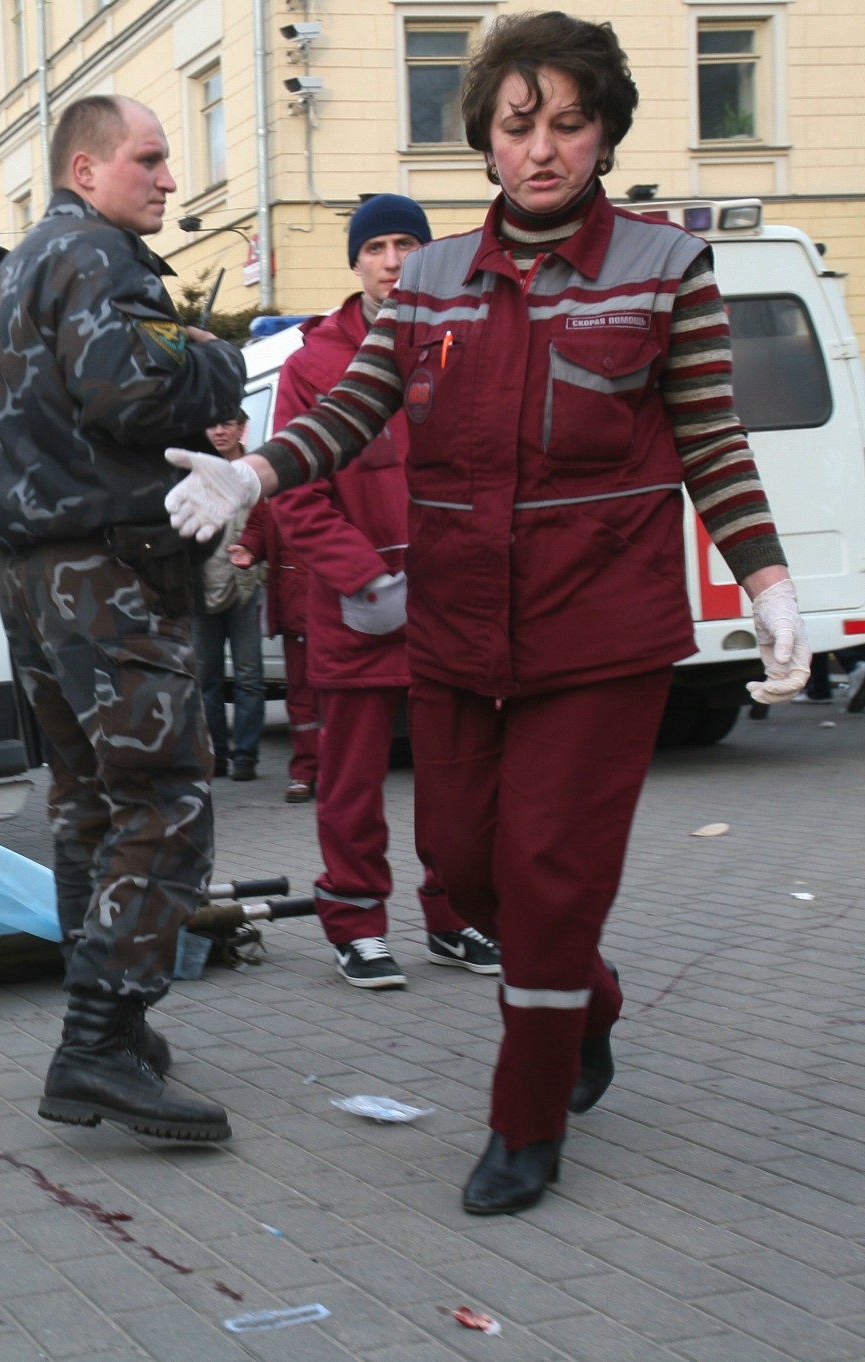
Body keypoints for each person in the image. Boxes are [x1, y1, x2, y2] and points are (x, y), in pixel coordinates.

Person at [162, 13, 810, 1213]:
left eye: (568, 123)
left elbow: (712, 439)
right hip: (458, 627)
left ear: (604, 131)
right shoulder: (432, 279)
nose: (543, 149)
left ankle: (524, 1126)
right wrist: (255, 472)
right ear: (484, 141)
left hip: (599, 630)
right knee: (463, 868)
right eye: (519, 127)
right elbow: (352, 407)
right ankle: (585, 1003)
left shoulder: (667, 269)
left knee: (548, 875)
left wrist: (765, 580)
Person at [0, 94, 247, 1141]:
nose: (168, 179)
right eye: (150, 159)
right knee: (163, 799)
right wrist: (214, 352)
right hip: (105, 575)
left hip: (37, 576)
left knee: (86, 801)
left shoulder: (15, 267)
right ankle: (95, 1042)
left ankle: (111, 1036)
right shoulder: (96, 256)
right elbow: (127, 385)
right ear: (86, 170)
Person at [256, 195, 501, 990]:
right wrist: (363, 576)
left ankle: (454, 916)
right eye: (378, 247)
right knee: (353, 785)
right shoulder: (312, 363)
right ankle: (356, 923)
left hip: (449, 611)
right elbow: (292, 492)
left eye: (408, 245)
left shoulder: (464, 344)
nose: (393, 260)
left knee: (457, 780)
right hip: (357, 613)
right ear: (355, 261)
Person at [193, 411, 268, 783]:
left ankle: (245, 757)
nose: (219, 431)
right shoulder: (194, 474)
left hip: (245, 587)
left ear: (242, 428)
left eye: (227, 424)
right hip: (201, 591)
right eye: (214, 424)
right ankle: (216, 756)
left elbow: (270, 524)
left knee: (249, 677)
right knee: (206, 679)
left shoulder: (257, 472)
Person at [232, 498, 319, 802]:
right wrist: (250, 547)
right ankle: (305, 772)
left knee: (340, 698)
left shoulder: (339, 469)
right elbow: (259, 523)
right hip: (295, 609)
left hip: (339, 607)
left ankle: (340, 772)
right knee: (300, 697)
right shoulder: (277, 477)